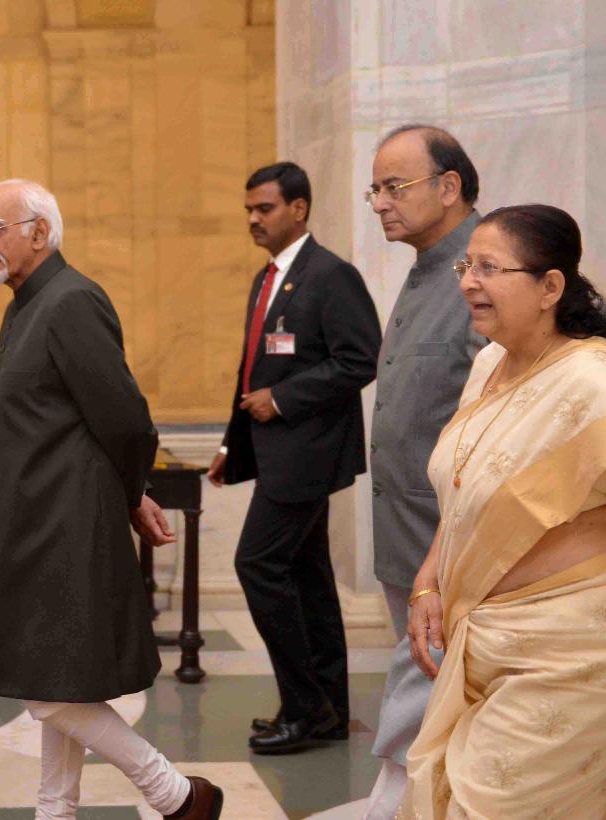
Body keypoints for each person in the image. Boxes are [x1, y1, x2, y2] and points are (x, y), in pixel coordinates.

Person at [0, 179, 222, 820]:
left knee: (46, 688)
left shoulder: (71, 300)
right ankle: (55, 811)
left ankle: (175, 794)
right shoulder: (28, 303)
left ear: (39, 232)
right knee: (62, 679)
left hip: (63, 528)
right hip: (33, 524)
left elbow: (125, 418)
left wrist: (134, 493)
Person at [399, 204, 606, 818]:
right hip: (479, 637)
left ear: (550, 287)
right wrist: (429, 579)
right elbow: (465, 490)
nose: (468, 282)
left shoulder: (592, 385)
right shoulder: (489, 363)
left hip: (565, 653)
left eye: (489, 268)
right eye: (466, 266)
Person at [207, 161, 381, 754]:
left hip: (309, 454)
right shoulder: (268, 278)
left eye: (265, 208)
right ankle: (326, 711)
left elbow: (359, 359)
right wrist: (231, 445)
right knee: (308, 578)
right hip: (278, 452)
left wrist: (281, 399)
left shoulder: (331, 275)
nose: (253, 220)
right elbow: (253, 369)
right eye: (249, 210)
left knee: (257, 564)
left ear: (298, 208)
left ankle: (305, 708)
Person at [363, 125, 487, 818]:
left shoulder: (485, 271)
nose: (380, 203)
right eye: (374, 190)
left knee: (419, 711)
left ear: (449, 186)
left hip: (452, 547)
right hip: (405, 533)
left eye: (394, 186)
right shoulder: (425, 270)